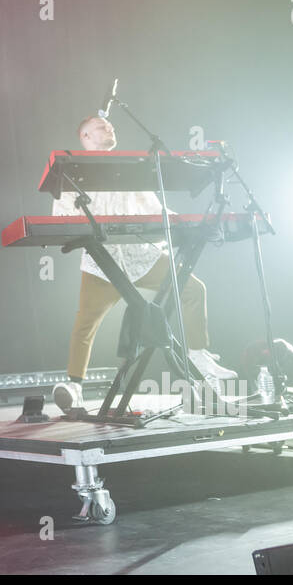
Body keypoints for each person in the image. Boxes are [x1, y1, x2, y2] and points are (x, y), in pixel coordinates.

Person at [51, 115, 211, 411]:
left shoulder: (131, 169)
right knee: (85, 323)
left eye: (110, 125)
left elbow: (157, 209)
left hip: (143, 257)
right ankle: (74, 386)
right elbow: (60, 217)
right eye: (101, 126)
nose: (109, 127)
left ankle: (199, 358)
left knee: (193, 289)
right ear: (85, 136)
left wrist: (185, 223)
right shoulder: (72, 172)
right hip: (102, 264)